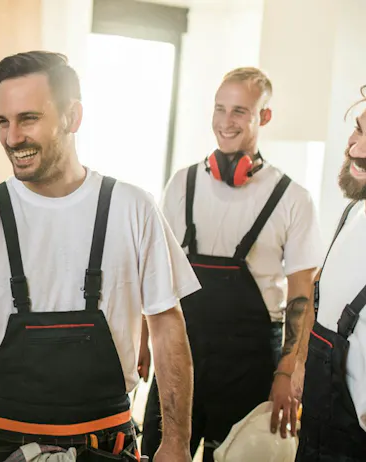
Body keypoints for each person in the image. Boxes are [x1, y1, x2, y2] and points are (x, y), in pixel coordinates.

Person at [0, 50, 200, 461]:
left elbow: (166, 326)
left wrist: (176, 441)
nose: (12, 137)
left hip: (107, 445)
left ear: (73, 117)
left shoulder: (133, 208)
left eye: (28, 119)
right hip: (2, 446)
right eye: (3, 121)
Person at [140, 67, 323, 461]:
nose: (226, 122)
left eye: (240, 111)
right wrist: (140, 337)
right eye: (220, 109)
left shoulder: (292, 198)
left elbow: (302, 294)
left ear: (265, 116)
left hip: (252, 363)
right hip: (180, 357)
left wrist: (287, 372)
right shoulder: (182, 184)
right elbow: (155, 272)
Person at [293, 86, 366, 462]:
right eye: (358, 129)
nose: (354, 147)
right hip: (319, 433)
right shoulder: (352, 214)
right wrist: (300, 363)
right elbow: (319, 291)